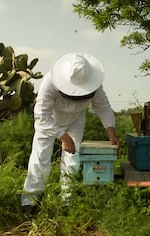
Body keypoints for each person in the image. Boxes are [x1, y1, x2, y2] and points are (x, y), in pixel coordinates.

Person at [21, 52, 120, 213]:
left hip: (75, 121)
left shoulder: (95, 85)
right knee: (40, 158)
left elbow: (103, 107)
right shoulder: (49, 82)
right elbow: (41, 115)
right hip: (49, 121)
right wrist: (62, 136)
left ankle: (67, 202)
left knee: (72, 160)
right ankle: (30, 202)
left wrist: (112, 132)